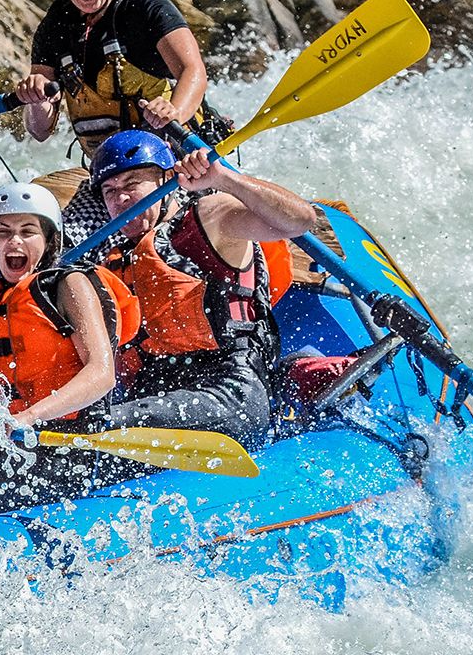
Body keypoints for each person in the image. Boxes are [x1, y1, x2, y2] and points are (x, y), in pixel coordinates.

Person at [10, 0, 234, 244]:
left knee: (172, 240)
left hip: (177, 165)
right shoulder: (55, 27)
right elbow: (40, 130)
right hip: (110, 179)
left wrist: (173, 111)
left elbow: (193, 71)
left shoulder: (144, 8)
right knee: (63, 245)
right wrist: (36, 98)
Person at [88, 131, 315, 444]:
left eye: (131, 184)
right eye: (109, 191)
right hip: (157, 399)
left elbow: (300, 220)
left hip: (229, 393)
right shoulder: (108, 262)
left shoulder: (208, 218)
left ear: (166, 181)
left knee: (98, 427)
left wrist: (223, 179)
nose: (120, 199)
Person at [0, 182, 140, 513]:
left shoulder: (68, 285)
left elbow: (102, 372)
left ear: (49, 240)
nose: (14, 241)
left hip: (73, 446)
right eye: (3, 232)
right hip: (13, 444)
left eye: (28, 231)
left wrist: (30, 416)